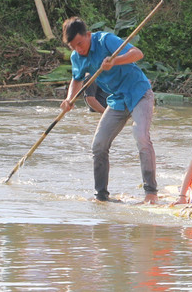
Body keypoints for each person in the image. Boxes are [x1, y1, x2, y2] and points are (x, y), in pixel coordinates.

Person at [59, 17, 157, 203]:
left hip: (139, 92)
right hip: (117, 100)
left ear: (88, 35)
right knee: (99, 144)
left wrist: (115, 60)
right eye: (74, 47)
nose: (79, 49)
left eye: (80, 43)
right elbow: (77, 79)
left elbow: (137, 54)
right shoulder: (76, 57)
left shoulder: (106, 40)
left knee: (141, 136)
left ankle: (151, 192)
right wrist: (69, 99)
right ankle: (101, 195)